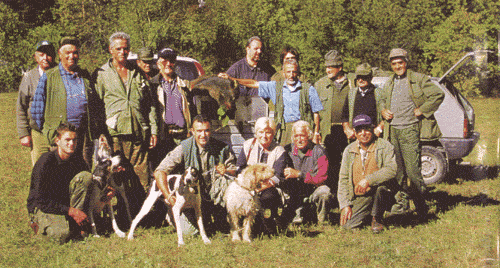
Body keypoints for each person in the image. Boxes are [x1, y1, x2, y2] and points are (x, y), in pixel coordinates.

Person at [379, 48, 444, 216]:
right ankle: (402, 206)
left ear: (406, 62)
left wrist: (423, 109)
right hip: (392, 130)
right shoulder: (389, 82)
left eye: (400, 62)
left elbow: (438, 94)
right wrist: (383, 110)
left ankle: (422, 204)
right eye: (394, 64)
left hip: (410, 129)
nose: (397, 66)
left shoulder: (418, 79)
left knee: (413, 171)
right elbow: (381, 100)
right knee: (397, 172)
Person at [94, 32, 158, 190]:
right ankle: (122, 213)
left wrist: (154, 130)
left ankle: (143, 213)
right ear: (111, 50)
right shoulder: (101, 74)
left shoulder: (137, 72)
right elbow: (96, 107)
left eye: (126, 49)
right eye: (119, 48)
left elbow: (149, 105)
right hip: (115, 137)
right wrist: (101, 133)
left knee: (143, 182)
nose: (123, 52)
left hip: (138, 136)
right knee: (118, 181)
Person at [154, 115, 237, 234]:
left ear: (211, 131)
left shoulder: (222, 148)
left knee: (228, 183)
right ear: (192, 131)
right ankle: (172, 216)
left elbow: (234, 172)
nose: (203, 135)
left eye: (206, 130)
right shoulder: (184, 147)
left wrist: (226, 170)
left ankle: (219, 217)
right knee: (190, 232)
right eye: (199, 131)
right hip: (189, 197)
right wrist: (168, 196)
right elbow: (159, 172)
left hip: (213, 195)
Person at [31, 36, 100, 169]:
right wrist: (50, 133)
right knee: (58, 174)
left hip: (81, 137)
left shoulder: (84, 76)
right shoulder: (49, 76)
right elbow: (36, 110)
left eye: (75, 52)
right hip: (59, 138)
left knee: (81, 172)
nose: (72, 56)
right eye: (67, 53)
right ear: (60, 54)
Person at [26, 122, 100, 243]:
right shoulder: (46, 162)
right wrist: (71, 211)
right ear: (57, 141)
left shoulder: (77, 160)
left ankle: (77, 224)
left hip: (65, 205)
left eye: (74, 140)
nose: (71, 144)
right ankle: (37, 223)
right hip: (43, 207)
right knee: (61, 235)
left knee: (86, 177)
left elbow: (88, 188)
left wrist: (103, 196)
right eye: (67, 140)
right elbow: (40, 200)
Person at [219, 59, 323, 145]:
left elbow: (316, 113)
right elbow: (254, 83)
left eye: (294, 72)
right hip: (284, 132)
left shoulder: (308, 89)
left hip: (303, 131)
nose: (291, 75)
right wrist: (232, 78)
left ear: (298, 72)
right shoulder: (275, 87)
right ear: (283, 72)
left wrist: (316, 133)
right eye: (288, 72)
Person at [337, 114, 397, 233]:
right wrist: (345, 205)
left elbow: (392, 169)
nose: (363, 133)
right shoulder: (349, 150)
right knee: (348, 226)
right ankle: (367, 215)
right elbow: (343, 179)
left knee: (381, 190)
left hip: (381, 192)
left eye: (367, 129)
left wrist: (368, 180)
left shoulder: (385, 146)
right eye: (359, 130)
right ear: (355, 132)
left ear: (372, 128)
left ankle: (377, 219)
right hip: (362, 196)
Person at [236, 117, 292, 232]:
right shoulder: (248, 145)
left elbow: (278, 176)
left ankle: (268, 224)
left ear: (273, 134)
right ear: (256, 133)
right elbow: (240, 168)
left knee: (268, 197)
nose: (264, 136)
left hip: (269, 187)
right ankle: (241, 224)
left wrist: (258, 189)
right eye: (261, 132)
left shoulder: (279, 150)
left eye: (268, 132)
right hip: (248, 185)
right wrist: (248, 187)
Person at [314, 50, 355, 200]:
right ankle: (332, 196)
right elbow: (314, 111)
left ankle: (349, 194)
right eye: (326, 67)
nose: (328, 70)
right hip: (328, 131)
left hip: (348, 131)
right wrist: (316, 132)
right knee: (330, 165)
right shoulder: (320, 84)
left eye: (331, 67)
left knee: (348, 163)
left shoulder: (353, 81)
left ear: (340, 67)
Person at [149, 48, 195, 170]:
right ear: (158, 63)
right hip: (162, 139)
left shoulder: (185, 85)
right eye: (165, 60)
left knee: (183, 173)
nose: (168, 64)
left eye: (172, 61)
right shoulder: (152, 85)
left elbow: (194, 111)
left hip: (183, 137)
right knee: (162, 172)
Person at [282, 120, 333, 225]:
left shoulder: (319, 152)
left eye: (302, 136)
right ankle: (289, 214)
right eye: (296, 136)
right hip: (294, 190)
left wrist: (300, 174)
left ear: (309, 136)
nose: (299, 140)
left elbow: (322, 178)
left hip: (313, 189)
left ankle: (322, 220)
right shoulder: (287, 150)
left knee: (325, 192)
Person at [17, 40, 57, 165]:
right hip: (37, 132)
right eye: (41, 54)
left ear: (54, 56)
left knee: (60, 171)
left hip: (58, 132)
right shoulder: (29, 77)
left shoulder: (61, 74)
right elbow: (21, 107)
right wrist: (24, 133)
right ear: (35, 57)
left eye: (48, 54)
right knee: (40, 170)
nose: (45, 58)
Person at [226, 36, 276, 125]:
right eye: (256, 49)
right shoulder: (236, 69)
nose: (259, 52)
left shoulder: (268, 70)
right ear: (247, 49)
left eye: (260, 49)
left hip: (262, 118)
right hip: (240, 119)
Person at [341, 63, 384, 141]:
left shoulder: (379, 93)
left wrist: (379, 129)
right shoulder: (351, 93)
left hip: (373, 136)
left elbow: (385, 117)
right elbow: (344, 116)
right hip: (355, 136)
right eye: (358, 77)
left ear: (370, 78)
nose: (360, 80)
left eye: (364, 77)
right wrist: (347, 130)